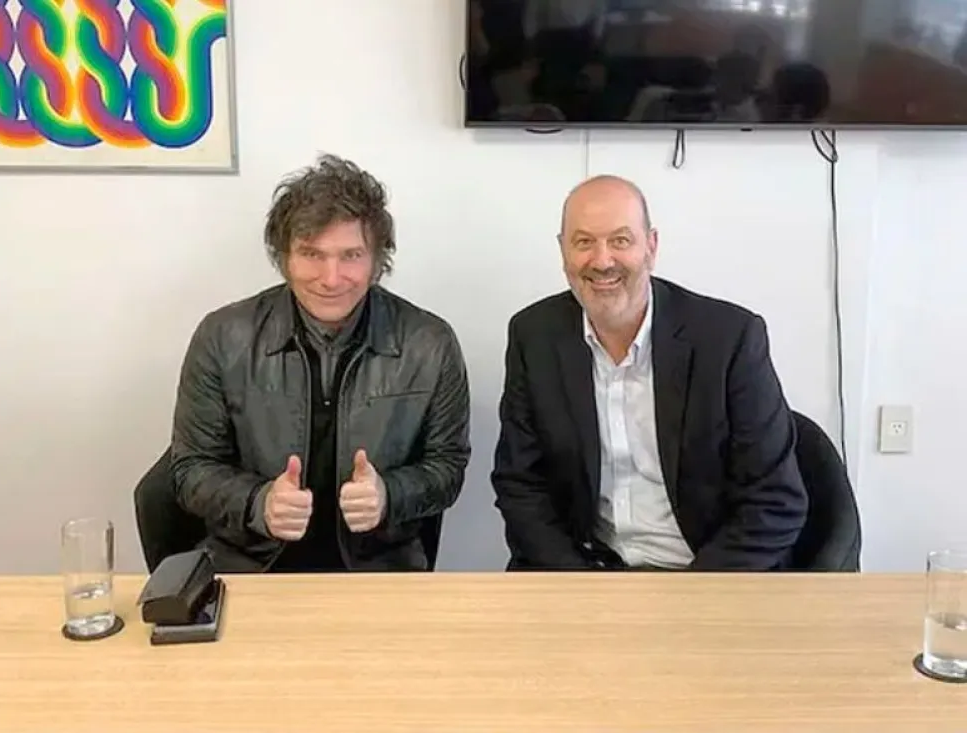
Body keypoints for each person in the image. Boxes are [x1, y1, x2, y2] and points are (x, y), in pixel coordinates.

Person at [171, 154, 471, 573]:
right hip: (249, 566)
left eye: (351, 255)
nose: (331, 278)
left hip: (379, 570)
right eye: (311, 253)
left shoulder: (429, 343)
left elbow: (447, 467)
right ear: (284, 257)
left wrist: (389, 494)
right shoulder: (222, 336)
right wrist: (258, 502)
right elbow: (190, 470)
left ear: (377, 259)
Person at [491, 175, 808, 571]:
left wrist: (687, 596)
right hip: (586, 571)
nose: (602, 261)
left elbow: (775, 500)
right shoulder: (534, 335)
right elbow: (521, 484)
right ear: (563, 250)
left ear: (651, 247)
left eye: (620, 240)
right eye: (584, 242)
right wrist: (581, 585)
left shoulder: (729, 340)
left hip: (703, 571)